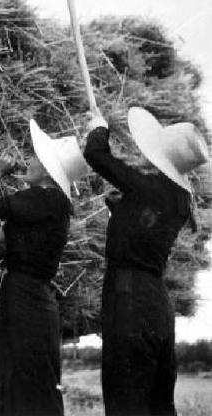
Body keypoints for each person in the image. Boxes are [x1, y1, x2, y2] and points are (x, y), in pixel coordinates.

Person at [0, 119, 89, 416]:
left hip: (26, 299)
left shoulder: (41, 198)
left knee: (22, 378)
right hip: (33, 299)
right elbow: (4, 235)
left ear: (47, 170)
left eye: (36, 159)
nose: (29, 162)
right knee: (29, 378)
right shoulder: (51, 204)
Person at [83, 106, 208, 416]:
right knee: (158, 403)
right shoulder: (179, 201)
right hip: (156, 303)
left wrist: (98, 127)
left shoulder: (148, 187)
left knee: (126, 398)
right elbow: (145, 223)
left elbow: (96, 155)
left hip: (128, 298)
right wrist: (123, 210)